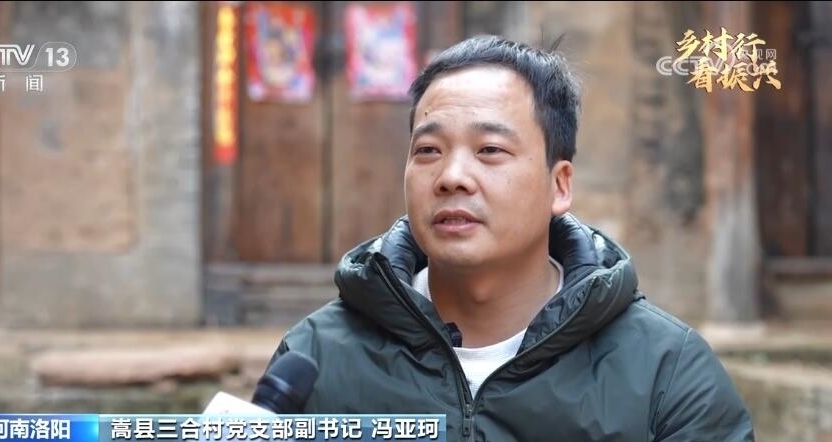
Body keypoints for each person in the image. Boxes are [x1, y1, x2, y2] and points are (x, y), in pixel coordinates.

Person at [266, 35, 754, 441]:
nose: (452, 177)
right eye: (429, 150)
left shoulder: (664, 373)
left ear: (559, 185)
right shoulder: (317, 356)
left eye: (490, 150)